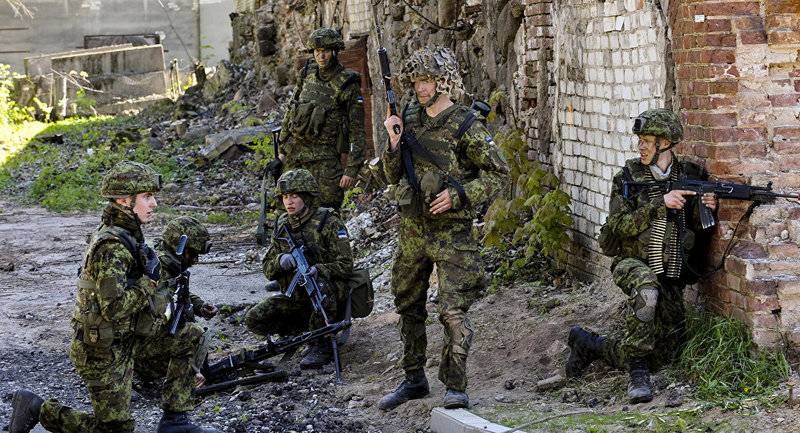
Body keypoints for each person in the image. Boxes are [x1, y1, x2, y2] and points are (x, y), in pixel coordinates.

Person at [8, 160, 219, 433]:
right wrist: (149, 284)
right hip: (102, 350)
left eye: (152, 196)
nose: (154, 203)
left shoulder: (131, 235)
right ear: (123, 200)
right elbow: (114, 307)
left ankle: (175, 422)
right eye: (146, 197)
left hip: (129, 338)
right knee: (115, 429)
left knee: (190, 335)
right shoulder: (112, 246)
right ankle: (38, 409)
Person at [378, 46, 509, 410]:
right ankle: (414, 379)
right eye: (417, 81)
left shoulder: (465, 124)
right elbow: (391, 175)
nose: (421, 88)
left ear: (444, 80)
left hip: (453, 234)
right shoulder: (408, 118)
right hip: (413, 230)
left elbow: (499, 174)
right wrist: (392, 142)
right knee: (408, 303)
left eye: (428, 80)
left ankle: (456, 384)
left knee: (453, 310)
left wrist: (459, 194)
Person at [565, 109, 717, 404]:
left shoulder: (690, 175)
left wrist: (708, 207)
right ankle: (637, 376)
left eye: (648, 141)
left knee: (663, 355)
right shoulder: (628, 176)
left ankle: (588, 344)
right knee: (647, 288)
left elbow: (698, 230)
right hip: (630, 262)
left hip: (669, 270)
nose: (641, 147)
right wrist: (660, 204)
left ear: (666, 143)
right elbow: (618, 226)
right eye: (640, 141)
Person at [244, 169, 354, 368]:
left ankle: (322, 343)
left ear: (307, 196)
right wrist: (281, 260)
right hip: (296, 296)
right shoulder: (282, 225)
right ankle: (301, 331)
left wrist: (319, 269)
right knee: (254, 319)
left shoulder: (329, 222)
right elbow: (268, 270)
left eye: (294, 196)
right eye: (285, 196)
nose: (289, 202)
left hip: (327, 296)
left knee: (320, 286)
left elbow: (346, 266)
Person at [133, 216, 219, 429]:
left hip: (139, 342)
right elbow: (154, 310)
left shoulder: (166, 262)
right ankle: (175, 417)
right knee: (194, 333)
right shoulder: (157, 269)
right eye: (193, 253)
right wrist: (191, 368)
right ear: (179, 245)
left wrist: (198, 305)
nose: (195, 260)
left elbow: (176, 291)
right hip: (135, 347)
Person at [278, 27, 366, 210]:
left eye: (325, 51)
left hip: (325, 161)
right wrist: (282, 147)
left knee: (325, 212)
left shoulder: (347, 83)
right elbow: (291, 110)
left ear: (334, 51)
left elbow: (357, 130)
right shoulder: (306, 73)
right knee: (290, 212)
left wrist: (351, 169)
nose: (321, 56)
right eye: (317, 51)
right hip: (296, 155)